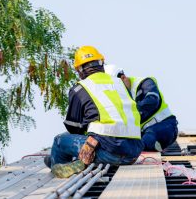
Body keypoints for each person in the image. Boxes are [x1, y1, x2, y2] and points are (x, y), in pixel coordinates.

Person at [46, 46, 144, 177]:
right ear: (102, 64)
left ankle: (61, 169)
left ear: (79, 70)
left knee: (59, 141)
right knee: (98, 138)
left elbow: (74, 127)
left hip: (109, 153)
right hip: (134, 153)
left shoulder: (80, 88)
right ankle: (80, 162)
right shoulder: (120, 84)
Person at [105, 65, 178, 152]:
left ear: (123, 78)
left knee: (148, 137)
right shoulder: (117, 96)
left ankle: (150, 145)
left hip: (166, 125)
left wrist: (131, 112)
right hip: (142, 132)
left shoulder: (145, 83)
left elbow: (152, 101)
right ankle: (152, 145)